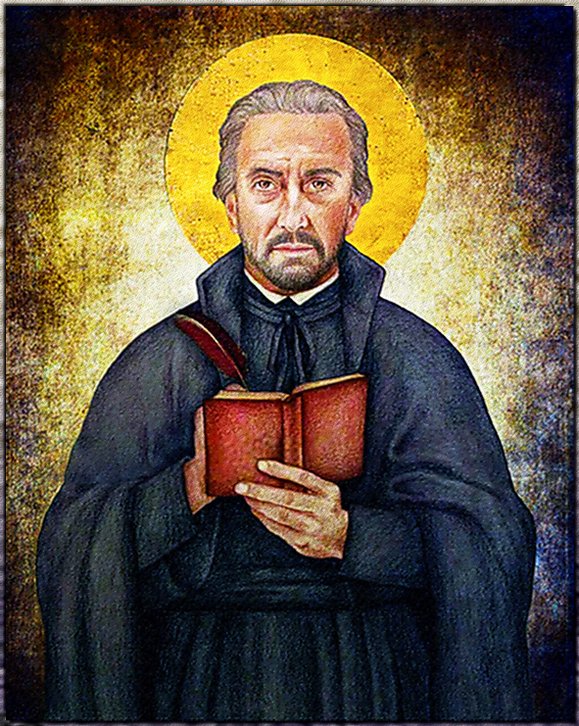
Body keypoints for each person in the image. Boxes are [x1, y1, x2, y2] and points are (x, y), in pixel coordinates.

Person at [37, 80, 535, 721]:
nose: (293, 214)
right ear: (231, 205)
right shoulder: (160, 360)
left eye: (319, 183)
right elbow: (72, 545)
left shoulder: (416, 357)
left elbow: (492, 541)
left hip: (372, 681)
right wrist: (186, 488)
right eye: (266, 184)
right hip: (203, 680)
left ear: (355, 203)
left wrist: (352, 536)